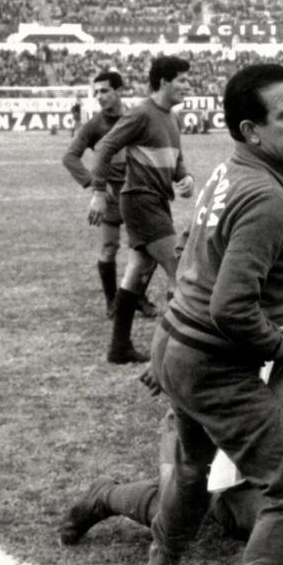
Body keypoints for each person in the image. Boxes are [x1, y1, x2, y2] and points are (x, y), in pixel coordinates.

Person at [136, 63, 283, 565]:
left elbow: (195, 266)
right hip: (210, 360)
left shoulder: (229, 170)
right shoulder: (264, 197)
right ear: (252, 130)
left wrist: (161, 342)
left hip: (178, 341)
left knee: (194, 470)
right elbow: (230, 308)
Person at [60, 242, 283, 553]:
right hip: (200, 415)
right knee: (175, 518)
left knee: (268, 521)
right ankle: (104, 495)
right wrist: (170, 356)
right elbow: (224, 314)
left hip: (246, 440)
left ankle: (215, 497)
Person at [89, 56, 195, 364]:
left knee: (135, 271)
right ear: (164, 82)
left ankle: (119, 346)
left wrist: (185, 177)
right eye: (182, 80)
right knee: (180, 269)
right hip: (140, 200)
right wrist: (97, 192)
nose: (187, 86)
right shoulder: (141, 114)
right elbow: (106, 146)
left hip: (157, 200)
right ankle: (177, 352)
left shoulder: (172, 118)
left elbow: (176, 160)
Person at [61, 70, 158, 320]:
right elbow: (70, 157)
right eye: (96, 93)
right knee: (109, 247)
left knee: (154, 248)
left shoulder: (137, 118)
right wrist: (96, 186)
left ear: (119, 91)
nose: (99, 97)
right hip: (113, 197)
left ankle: (137, 295)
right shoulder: (95, 125)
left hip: (139, 192)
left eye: (104, 91)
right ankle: (112, 302)